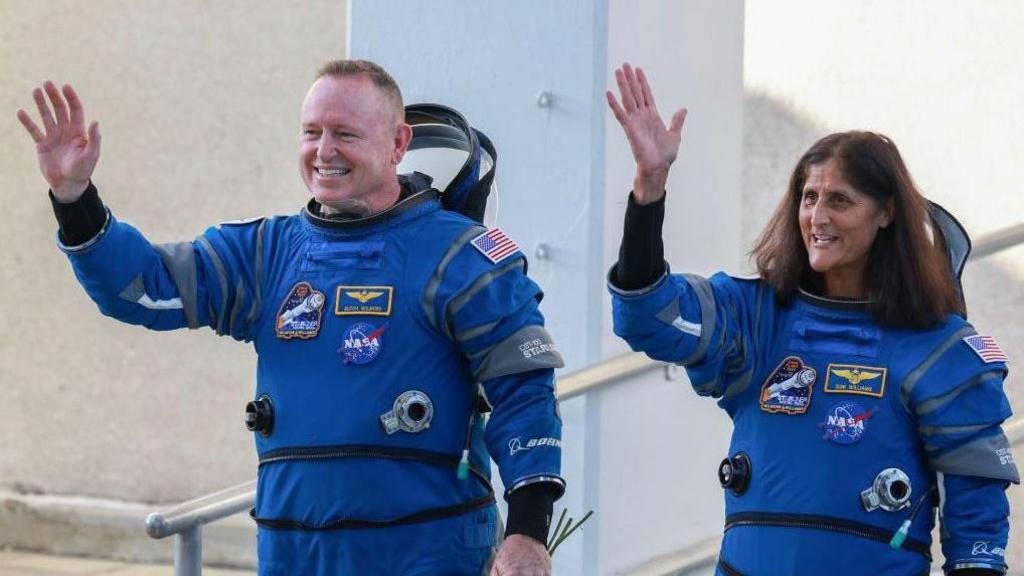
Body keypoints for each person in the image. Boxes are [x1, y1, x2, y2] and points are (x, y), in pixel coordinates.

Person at [17, 59, 565, 576]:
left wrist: (527, 534)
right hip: (293, 552)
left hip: (426, 552)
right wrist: (75, 198)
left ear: (399, 143)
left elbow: (524, 393)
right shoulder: (266, 253)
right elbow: (144, 288)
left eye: (345, 134)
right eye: (311, 132)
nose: (324, 150)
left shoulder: (461, 256)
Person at [605, 63, 1018, 576]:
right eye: (808, 197)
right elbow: (649, 316)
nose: (817, 218)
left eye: (840, 200)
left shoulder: (939, 347)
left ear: (886, 213)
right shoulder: (756, 318)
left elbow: (978, 524)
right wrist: (650, 188)